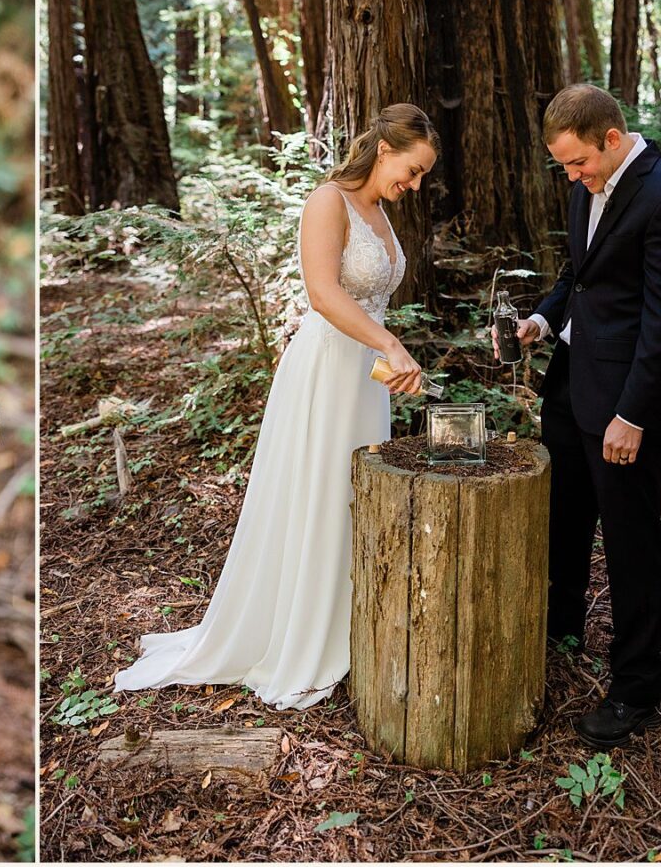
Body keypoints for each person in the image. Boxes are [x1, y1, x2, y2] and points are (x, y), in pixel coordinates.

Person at [114, 104, 438, 709]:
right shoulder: (328, 202)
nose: (415, 185)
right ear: (385, 150)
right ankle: (300, 634)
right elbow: (323, 294)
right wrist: (390, 343)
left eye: (422, 176)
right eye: (413, 170)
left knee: (352, 496)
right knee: (319, 492)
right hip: (325, 370)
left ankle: (342, 624)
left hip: (365, 378)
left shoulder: (380, 212)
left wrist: (386, 355)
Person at [509, 83, 661, 749]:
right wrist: (543, 319)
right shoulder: (586, 184)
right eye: (564, 165)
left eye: (578, 162)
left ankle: (635, 689)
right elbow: (581, 276)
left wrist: (634, 414)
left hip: (624, 403)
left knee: (631, 544)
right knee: (563, 519)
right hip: (570, 386)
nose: (572, 176)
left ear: (613, 139)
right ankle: (561, 632)